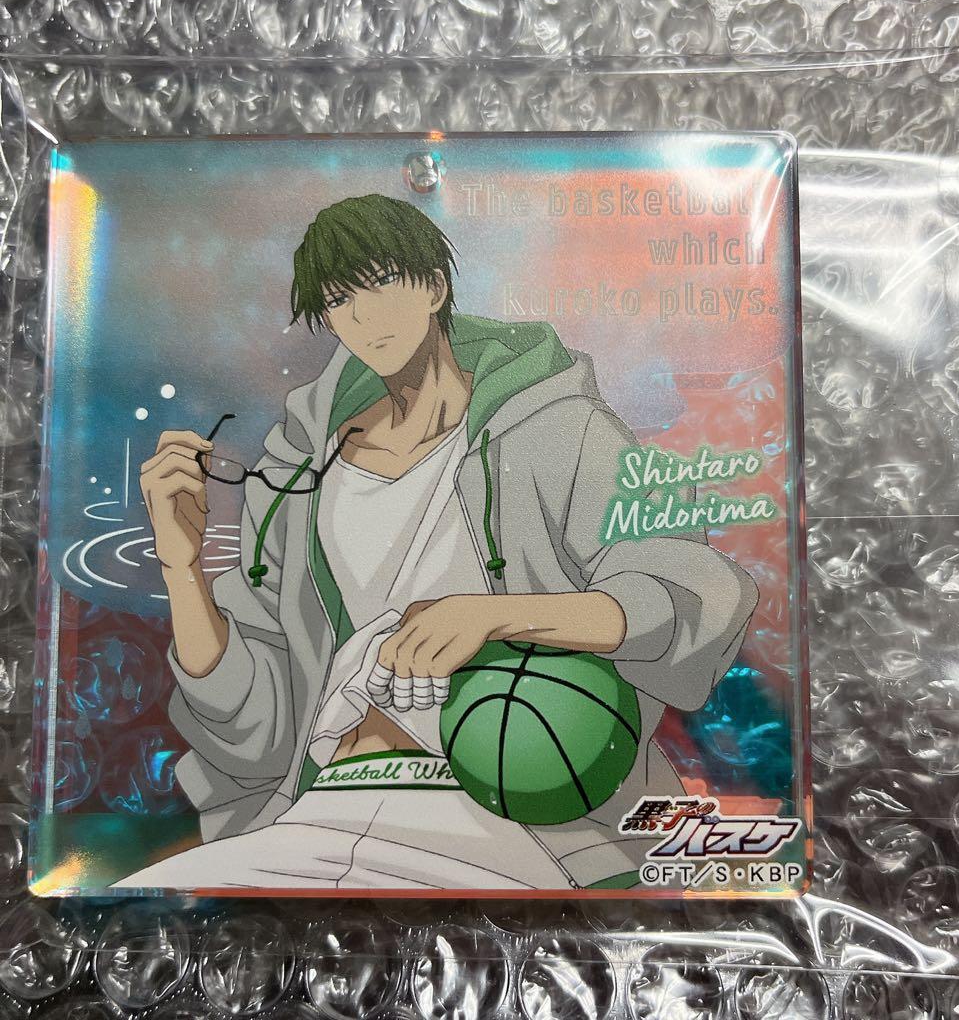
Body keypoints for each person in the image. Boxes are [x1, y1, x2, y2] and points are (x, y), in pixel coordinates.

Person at [119, 194, 758, 890]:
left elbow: (690, 593)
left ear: (433, 285)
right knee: (141, 902)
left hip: (515, 808)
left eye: (382, 284)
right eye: (339, 300)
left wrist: (494, 617)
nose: (364, 317)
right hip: (329, 800)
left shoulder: (554, 426)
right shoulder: (297, 471)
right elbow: (255, 724)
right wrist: (181, 566)